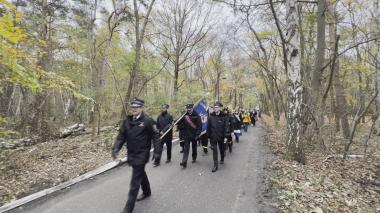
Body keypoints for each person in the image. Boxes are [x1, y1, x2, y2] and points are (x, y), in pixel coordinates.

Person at [112, 98, 161, 213]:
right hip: (132, 153)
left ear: (141, 108)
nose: (134, 109)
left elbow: (156, 136)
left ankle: (128, 209)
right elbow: (121, 136)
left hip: (142, 154)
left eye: (137, 107)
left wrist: (157, 152)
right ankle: (147, 191)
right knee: (140, 173)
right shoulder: (127, 121)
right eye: (133, 107)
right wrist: (115, 149)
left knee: (134, 182)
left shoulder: (148, 121)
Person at [207, 101, 229, 172]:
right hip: (213, 137)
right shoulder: (211, 116)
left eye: (217, 107)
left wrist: (226, 136)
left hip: (221, 137)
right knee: (215, 151)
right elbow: (208, 127)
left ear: (220, 108)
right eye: (214, 107)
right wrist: (209, 136)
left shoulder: (224, 117)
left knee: (222, 149)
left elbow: (226, 127)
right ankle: (215, 165)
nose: (215, 109)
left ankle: (222, 158)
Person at [178, 103, 201, 168]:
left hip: (194, 135)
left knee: (194, 148)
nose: (189, 111)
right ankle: (184, 162)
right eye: (188, 109)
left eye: (190, 109)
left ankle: (194, 158)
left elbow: (199, 126)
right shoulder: (185, 116)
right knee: (186, 149)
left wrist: (197, 134)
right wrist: (176, 122)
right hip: (187, 135)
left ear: (192, 109)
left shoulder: (197, 116)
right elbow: (179, 122)